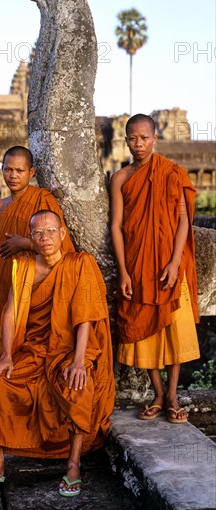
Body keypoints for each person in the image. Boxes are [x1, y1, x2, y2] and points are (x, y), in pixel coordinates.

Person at [0, 210, 114, 497]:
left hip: (71, 349)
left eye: (50, 231)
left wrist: (77, 361)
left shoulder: (79, 264)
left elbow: (85, 317)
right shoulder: (23, 266)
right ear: (31, 237)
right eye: (38, 233)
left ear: (62, 234)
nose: (45, 238)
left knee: (78, 386)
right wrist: (6, 355)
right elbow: (10, 314)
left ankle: (73, 464)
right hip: (35, 348)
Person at [0, 146, 75, 424]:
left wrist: (26, 243)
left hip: (30, 290)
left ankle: (21, 428)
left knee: (21, 361)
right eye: (8, 169)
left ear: (31, 172)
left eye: (19, 170)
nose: (13, 175)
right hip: (1, 291)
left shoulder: (43, 200)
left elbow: (60, 245)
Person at [110, 114, 200, 424]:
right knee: (144, 328)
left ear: (154, 139)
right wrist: (123, 271)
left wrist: (175, 263)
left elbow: (182, 221)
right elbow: (117, 225)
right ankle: (158, 394)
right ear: (126, 141)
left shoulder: (171, 173)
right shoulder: (121, 178)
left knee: (173, 330)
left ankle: (173, 395)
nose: (138, 143)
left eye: (144, 138)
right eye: (132, 138)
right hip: (137, 265)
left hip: (169, 266)